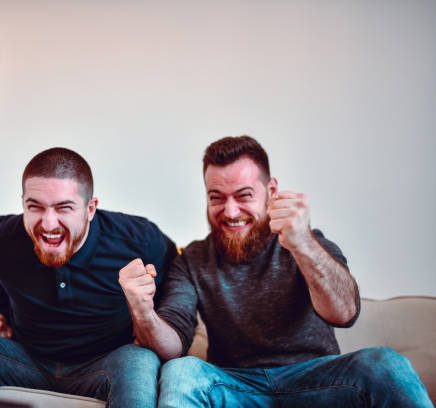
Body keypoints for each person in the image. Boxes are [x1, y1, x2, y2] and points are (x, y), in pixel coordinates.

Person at [119, 136, 432, 407]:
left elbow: (345, 313)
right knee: (181, 372)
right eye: (217, 198)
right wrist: (143, 312)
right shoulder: (193, 259)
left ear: (271, 191)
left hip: (318, 382)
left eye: (244, 196)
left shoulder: (309, 242)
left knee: (384, 362)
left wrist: (303, 245)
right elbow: (173, 346)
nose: (230, 211)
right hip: (236, 387)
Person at [0, 147, 177, 407]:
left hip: (104, 363)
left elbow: (178, 275)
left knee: (141, 360)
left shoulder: (140, 240)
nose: (48, 224)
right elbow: (1, 272)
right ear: (23, 202)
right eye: (35, 207)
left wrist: (148, 318)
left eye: (63, 208)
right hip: (25, 358)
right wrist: (0, 311)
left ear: (91, 209)